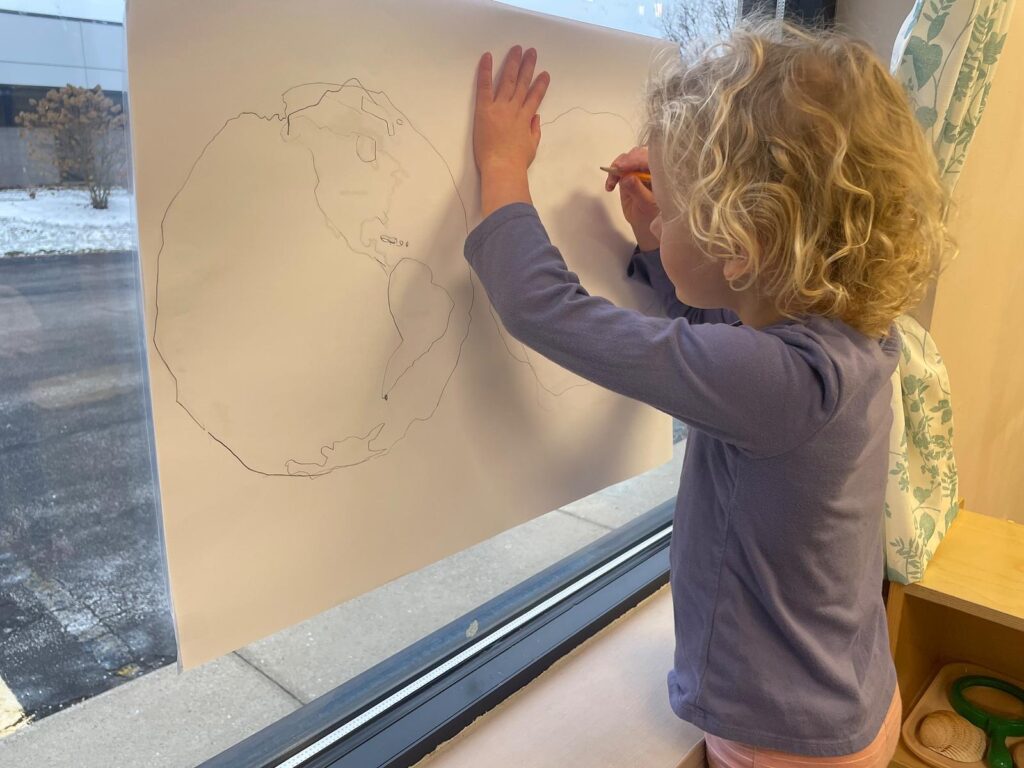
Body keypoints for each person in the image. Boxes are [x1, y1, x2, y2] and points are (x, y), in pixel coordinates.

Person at [466, 15, 947, 767]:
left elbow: (545, 308)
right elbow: (725, 322)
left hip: (778, 743)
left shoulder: (779, 384)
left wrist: (500, 169)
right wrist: (665, 244)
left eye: (680, 200)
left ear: (740, 244)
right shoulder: (856, 337)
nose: (662, 205)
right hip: (852, 699)